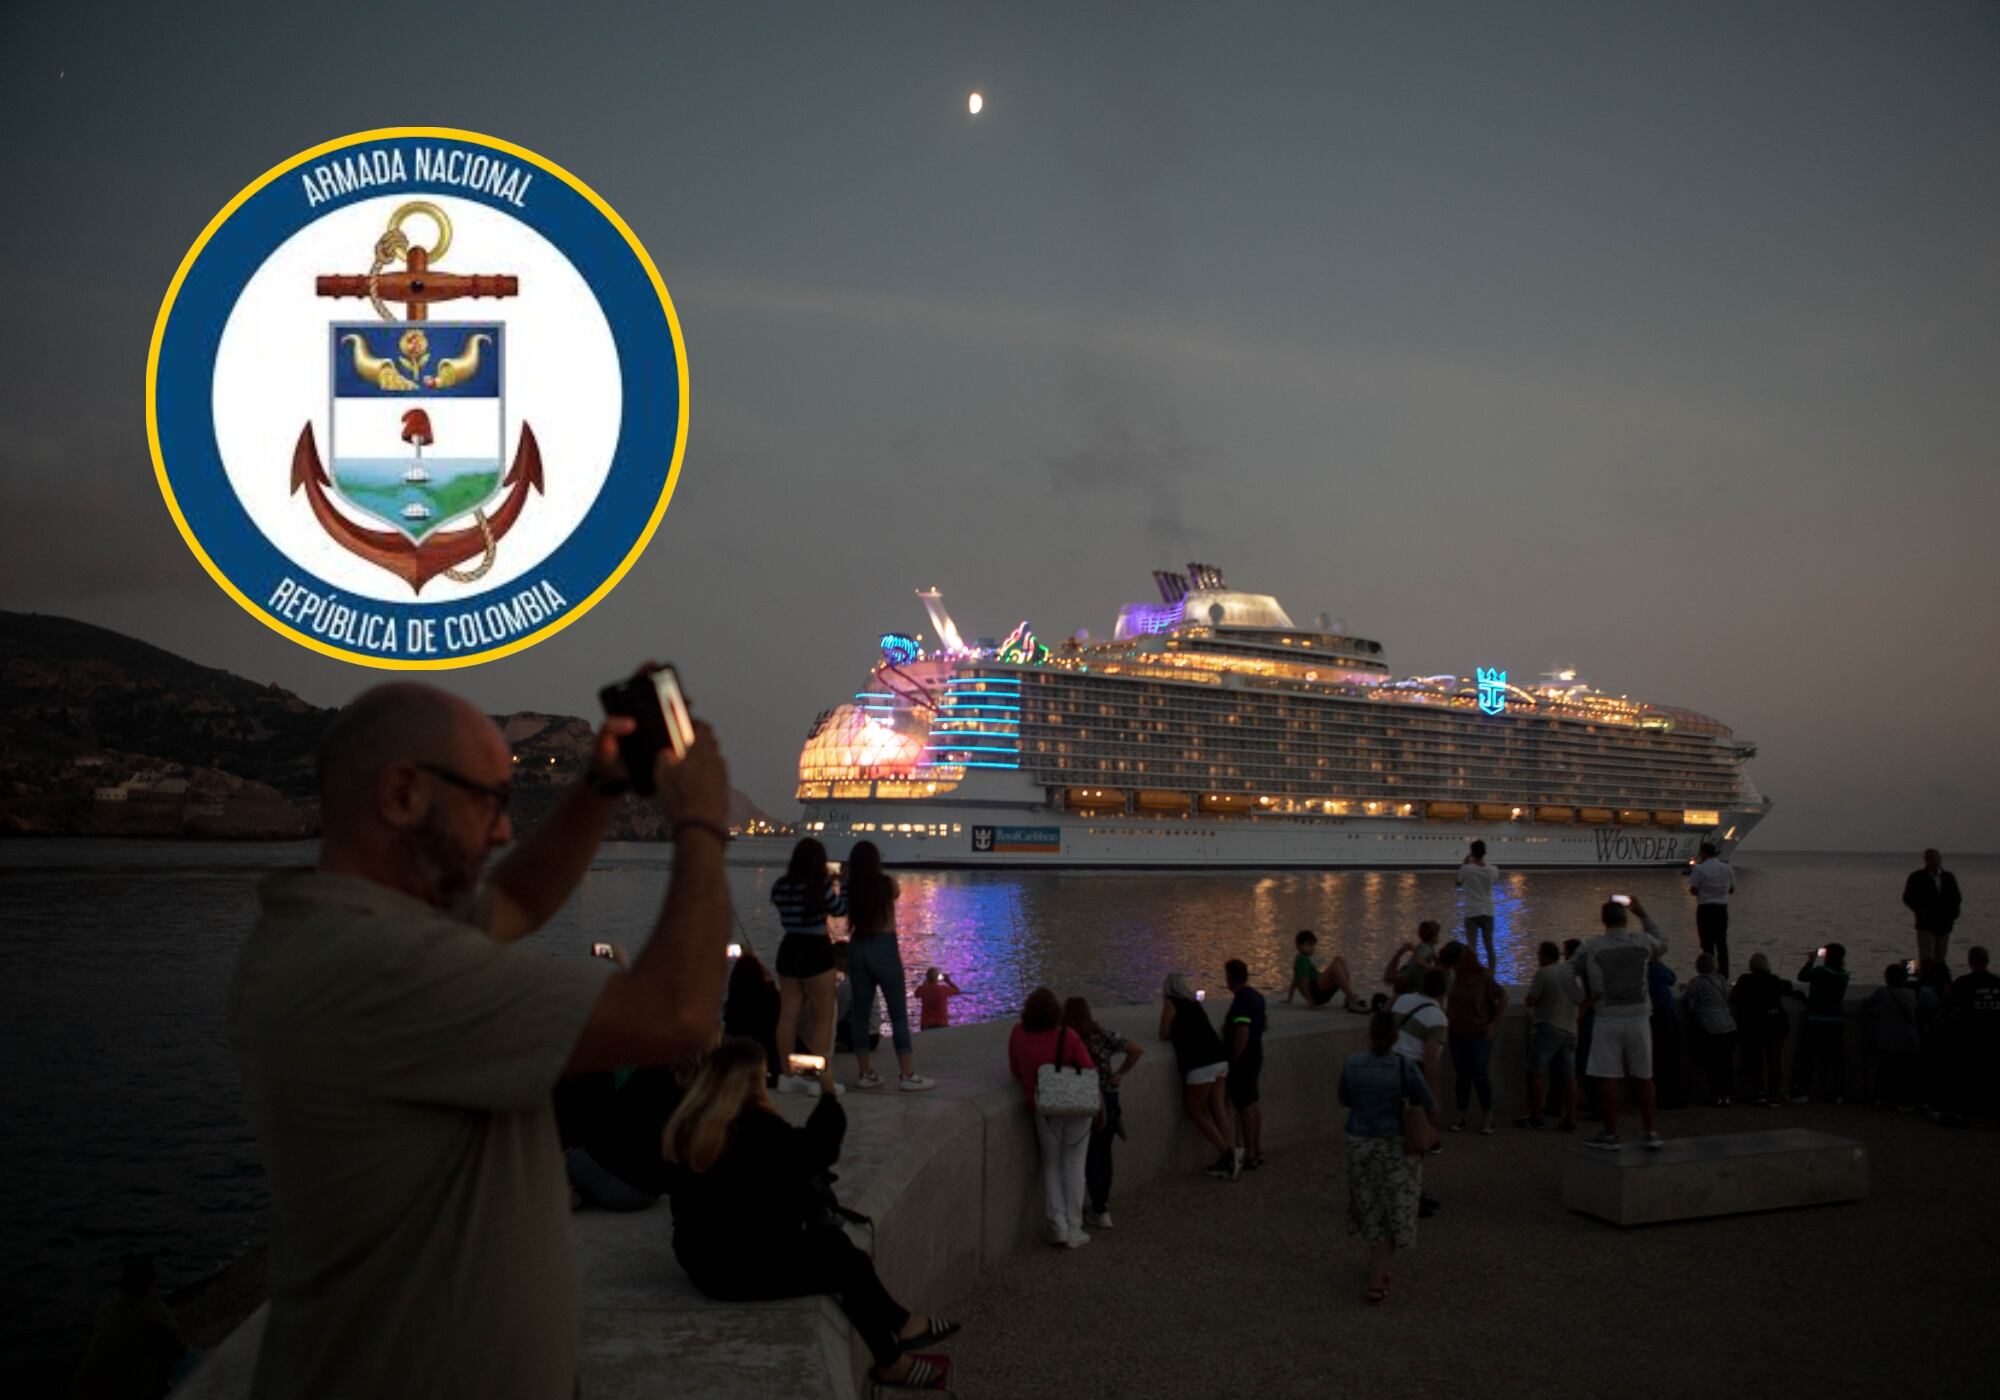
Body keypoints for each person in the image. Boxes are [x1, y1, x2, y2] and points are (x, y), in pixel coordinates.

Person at [228, 681, 732, 1399]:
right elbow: (676, 1015)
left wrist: (601, 782)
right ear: (402, 794)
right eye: (491, 801)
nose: (504, 833)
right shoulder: (379, 970)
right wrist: (703, 823)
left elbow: (518, 899)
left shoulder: (344, 927)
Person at [662, 1039, 958, 1389]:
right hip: (734, 1270)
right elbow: (818, 1149)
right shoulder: (755, 1127)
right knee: (847, 1266)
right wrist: (828, 1091)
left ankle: (898, 1345)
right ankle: (898, 1344)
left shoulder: (689, 1124)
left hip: (702, 1258)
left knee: (837, 1249)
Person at [1339, 1010, 1436, 1307]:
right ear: (1395, 1036)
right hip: (1395, 1146)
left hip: (1360, 1143)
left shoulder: (1353, 1062)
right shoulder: (1404, 1067)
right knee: (1396, 1210)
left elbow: (1344, 1098)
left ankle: (1381, 1268)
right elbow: (1428, 1103)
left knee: (1372, 1209)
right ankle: (1375, 1281)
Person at [1573, 896, 1667, 1150]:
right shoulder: (1642, 941)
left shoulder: (1591, 946)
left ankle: (1611, 1133)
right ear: (1626, 919)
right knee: (1644, 1077)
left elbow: (1566, 974)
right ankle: (1650, 1131)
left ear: (1603, 921)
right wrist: (1643, 913)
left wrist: (1582, 999)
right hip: (1639, 1018)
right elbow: (1663, 944)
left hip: (1607, 1018)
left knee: (1607, 1078)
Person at [1008, 988, 1098, 1246]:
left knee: (1051, 1164)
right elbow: (1089, 1070)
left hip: (1043, 1108)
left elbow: (1015, 1070)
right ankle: (1075, 1228)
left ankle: (1057, 1225)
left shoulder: (1017, 1034)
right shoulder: (1067, 1036)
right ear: (1055, 1013)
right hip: (1077, 1108)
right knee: (1074, 1164)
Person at [844, 841, 935, 1091]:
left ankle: (865, 1073)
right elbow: (895, 894)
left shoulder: (848, 887)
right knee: (898, 1014)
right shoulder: (887, 884)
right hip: (884, 947)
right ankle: (907, 1074)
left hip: (858, 947)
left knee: (860, 1015)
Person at [771, 838, 846, 1097]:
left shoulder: (780, 887)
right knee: (821, 1018)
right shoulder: (820, 888)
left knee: (787, 1015)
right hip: (816, 951)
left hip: (789, 949)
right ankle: (816, 1079)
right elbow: (839, 909)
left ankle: (787, 1075)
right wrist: (843, 885)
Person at [1063, 996, 1142, 1230]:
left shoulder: (1068, 1038)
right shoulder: (1104, 1035)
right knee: (1104, 1153)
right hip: (1109, 1095)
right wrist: (1119, 1073)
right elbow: (1137, 1049)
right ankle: (1102, 1205)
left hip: (1082, 1098)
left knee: (1088, 1156)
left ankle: (1099, 1208)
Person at [69, 1256, 188, 1400]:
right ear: (150, 1284)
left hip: (84, 1390)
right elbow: (178, 1348)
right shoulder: (154, 1310)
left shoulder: (106, 1309)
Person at [1159, 972, 1236, 1178]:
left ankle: (1227, 1155)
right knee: (1218, 1108)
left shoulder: (1171, 1002)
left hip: (1200, 1064)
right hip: (1220, 1058)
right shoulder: (1195, 1001)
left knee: (1195, 1112)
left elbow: (1164, 1033)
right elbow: (1202, 1011)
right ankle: (1232, 1154)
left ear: (1167, 988)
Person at [1390, 967, 1449, 1217]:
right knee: (1416, 1135)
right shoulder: (1437, 1017)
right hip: (1412, 1076)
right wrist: (1433, 1100)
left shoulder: (1403, 1000)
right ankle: (1411, 1195)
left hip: (1389, 1068)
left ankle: (1397, 1190)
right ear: (1444, 991)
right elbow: (1431, 1057)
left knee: (1394, 1134)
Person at [1517, 940, 1580, 1130]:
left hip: (1548, 1028)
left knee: (1535, 1071)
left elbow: (1530, 1000)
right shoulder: (1572, 976)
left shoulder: (1544, 973)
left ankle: (1536, 1116)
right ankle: (1570, 1118)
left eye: (1538, 954)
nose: (1537, 958)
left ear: (1544, 956)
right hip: (1570, 1030)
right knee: (1569, 1076)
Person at [1444, 949, 1506, 1133]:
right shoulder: (1454, 978)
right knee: (1462, 1075)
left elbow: (1503, 997)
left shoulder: (1484, 978)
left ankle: (1488, 1115)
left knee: (1480, 1074)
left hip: (1479, 1034)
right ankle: (1461, 1114)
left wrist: (1494, 1024)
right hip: (1457, 1033)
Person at [1729, 953, 1798, 1106]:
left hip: (1754, 1026)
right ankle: (1774, 1095)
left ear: (1751, 965)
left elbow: (1732, 998)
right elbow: (1787, 990)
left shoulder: (1744, 980)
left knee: (1755, 1060)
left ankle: (1759, 1093)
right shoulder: (1774, 980)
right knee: (1774, 1061)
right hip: (1775, 1024)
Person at [1222, 959, 1270, 1169]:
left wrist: (1233, 1058)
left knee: (1244, 1108)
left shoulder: (1241, 1000)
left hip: (1244, 1061)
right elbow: (1265, 1024)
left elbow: (1243, 1031)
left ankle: (1249, 1155)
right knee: (1253, 1103)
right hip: (1256, 1055)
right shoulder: (1257, 997)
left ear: (1230, 978)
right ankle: (1257, 1150)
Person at [1790, 943, 1850, 1103]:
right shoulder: (1844, 975)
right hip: (1836, 1021)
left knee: (1808, 1057)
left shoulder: (1820, 971)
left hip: (1816, 1019)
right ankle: (1840, 1093)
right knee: (1837, 1059)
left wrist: (1810, 960)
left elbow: (1802, 976)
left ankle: (1803, 1091)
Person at [1950, 946, 2000, 1127]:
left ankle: (1967, 1110)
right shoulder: (1997, 983)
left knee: (1969, 1075)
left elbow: (1953, 1009)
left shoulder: (1963, 983)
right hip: (1994, 1038)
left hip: (1970, 1037)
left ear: (1970, 962)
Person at [1682, 953, 1737, 1105]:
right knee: (1726, 1063)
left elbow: (1685, 999)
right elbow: (1729, 995)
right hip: (1728, 1026)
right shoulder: (1721, 980)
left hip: (1710, 1028)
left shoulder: (1697, 983)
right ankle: (1727, 1095)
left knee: (1713, 1063)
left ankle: (1716, 1095)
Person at [1864, 963, 1920, 1111]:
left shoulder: (1883, 993)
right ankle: (1906, 1102)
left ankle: (1883, 1099)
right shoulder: (1911, 994)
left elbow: (1866, 1004)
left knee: (1886, 1071)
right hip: (1909, 1039)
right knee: (1905, 1073)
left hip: (1888, 1039)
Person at [723, 945, 781, 1085]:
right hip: (769, 1068)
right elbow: (770, 981)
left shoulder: (732, 1007)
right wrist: (753, 959)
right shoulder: (772, 999)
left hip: (738, 1070)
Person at [1902, 849, 1964, 965]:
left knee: (1940, 957)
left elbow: (1956, 898)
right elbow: (1908, 897)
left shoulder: (1948, 877)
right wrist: (1920, 910)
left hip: (1944, 923)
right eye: (1928, 859)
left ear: (1940, 860)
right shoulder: (1917, 877)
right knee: (1926, 956)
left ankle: (1938, 980)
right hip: (1925, 923)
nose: (1930, 862)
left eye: (1933, 859)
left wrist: (1953, 914)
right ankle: (1922, 979)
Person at [1686, 841, 1736, 976]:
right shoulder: (1727, 868)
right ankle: (1724, 974)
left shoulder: (1699, 869)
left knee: (1707, 944)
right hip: (1721, 910)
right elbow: (1731, 890)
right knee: (1722, 943)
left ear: (1703, 853)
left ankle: (1709, 973)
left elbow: (1693, 890)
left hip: (1705, 909)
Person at [1288, 927, 1366, 1010]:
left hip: (1318, 990)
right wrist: (1310, 1001)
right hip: (1315, 993)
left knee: (1339, 959)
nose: (1312, 948)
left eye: (1313, 945)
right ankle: (1351, 997)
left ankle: (1349, 997)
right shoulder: (1302, 959)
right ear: (1300, 946)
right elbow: (1303, 981)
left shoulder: (1302, 959)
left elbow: (1295, 980)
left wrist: (1289, 999)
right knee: (1334, 967)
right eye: (1309, 944)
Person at [1648, 946, 1687, 1111]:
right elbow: (1672, 977)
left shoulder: (1645, 970)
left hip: (1654, 1017)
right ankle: (1674, 1097)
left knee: (1658, 1059)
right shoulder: (1657, 969)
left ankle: (1661, 1097)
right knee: (1671, 1058)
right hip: (1666, 1016)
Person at [1456, 840, 1498, 968]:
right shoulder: (1493, 869)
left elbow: (1458, 884)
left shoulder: (1466, 869)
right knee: (1489, 947)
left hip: (1472, 911)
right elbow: (1493, 883)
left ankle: (1473, 975)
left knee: (1472, 947)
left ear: (1472, 852)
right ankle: (1491, 976)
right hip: (1488, 911)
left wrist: (1465, 862)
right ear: (1484, 852)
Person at [1382, 921, 1444, 997]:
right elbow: (1419, 961)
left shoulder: (1427, 947)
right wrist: (1433, 969)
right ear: (1433, 937)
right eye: (1437, 935)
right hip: (1410, 976)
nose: (1439, 937)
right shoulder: (1426, 948)